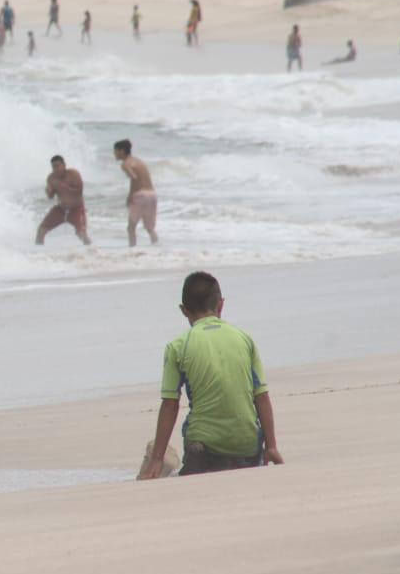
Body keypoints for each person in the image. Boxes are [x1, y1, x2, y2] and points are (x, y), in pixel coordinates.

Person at [138, 272, 283, 479]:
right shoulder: (244, 339)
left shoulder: (178, 346)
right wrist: (271, 446)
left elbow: (170, 404)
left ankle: (169, 469)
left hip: (205, 448)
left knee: (187, 443)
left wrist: (157, 458)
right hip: (248, 447)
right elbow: (261, 395)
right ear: (221, 304)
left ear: (183, 310)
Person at [35, 155, 90, 245]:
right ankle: (37, 256)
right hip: (61, 209)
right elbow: (51, 196)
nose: (56, 169)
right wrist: (48, 191)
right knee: (41, 230)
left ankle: (93, 254)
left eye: (58, 166)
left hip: (76, 209)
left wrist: (61, 186)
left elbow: (78, 192)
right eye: (53, 167)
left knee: (81, 234)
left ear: (64, 165)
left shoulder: (74, 174)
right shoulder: (51, 178)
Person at [114, 138, 158, 246]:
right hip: (152, 194)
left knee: (131, 227)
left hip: (141, 195)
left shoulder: (125, 164)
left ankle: (132, 250)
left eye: (115, 151)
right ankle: (157, 248)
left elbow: (134, 177)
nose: (114, 154)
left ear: (122, 151)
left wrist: (130, 196)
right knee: (150, 228)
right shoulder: (139, 161)